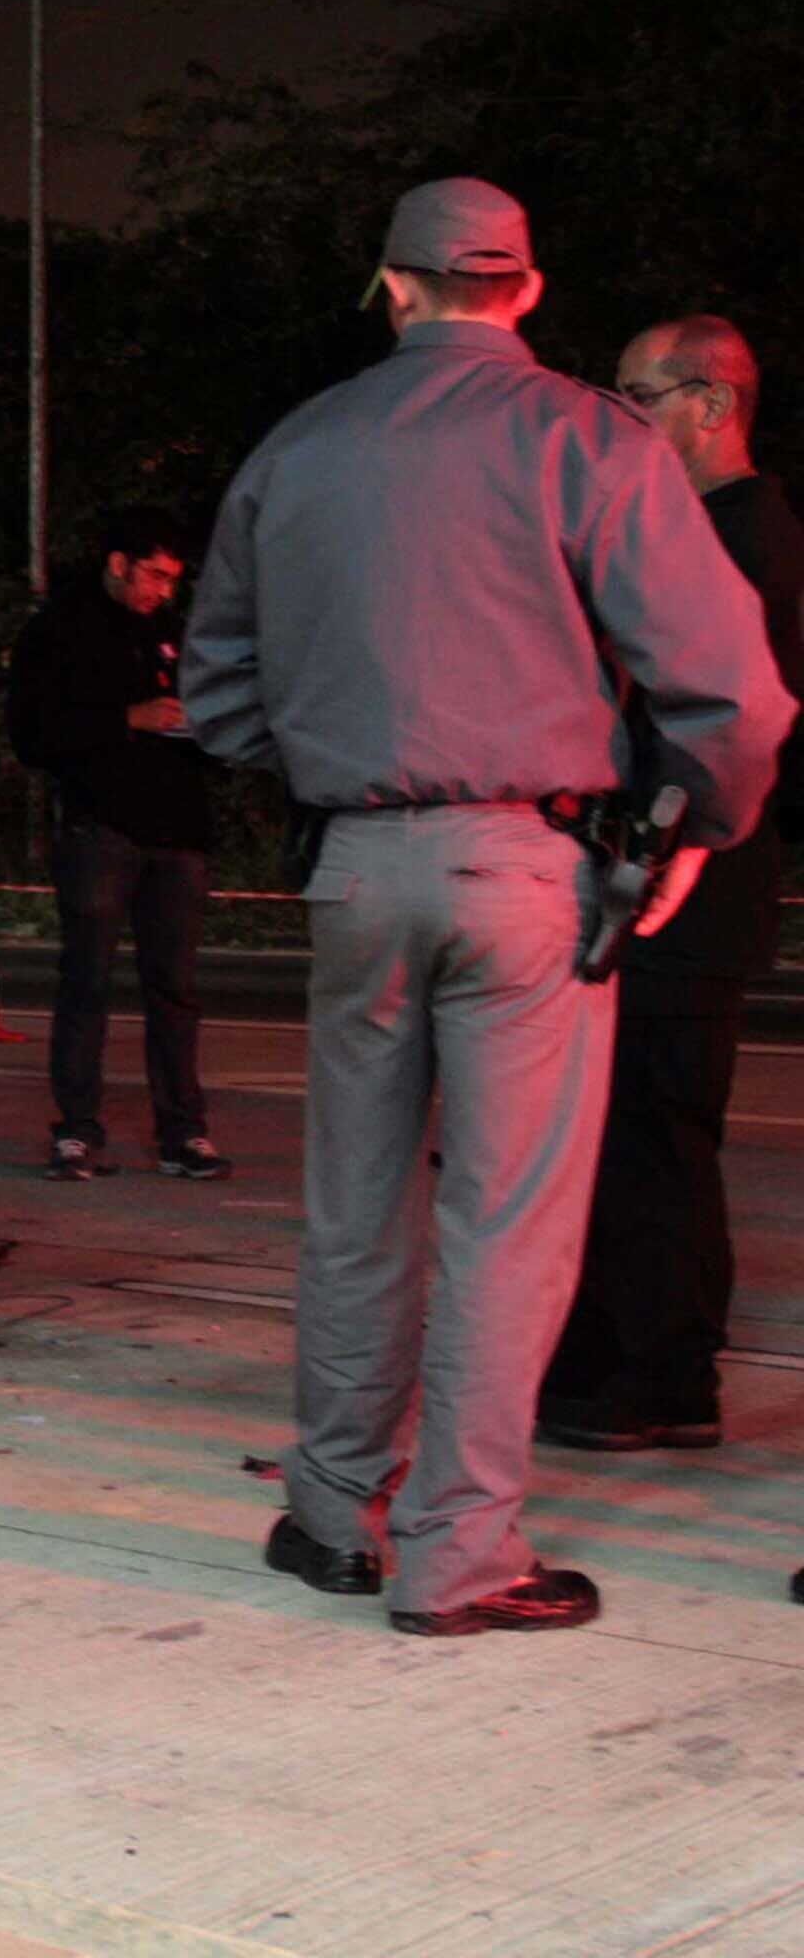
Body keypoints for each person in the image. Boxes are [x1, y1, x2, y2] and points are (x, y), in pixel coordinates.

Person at [180, 178, 791, 1637]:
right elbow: (735, 689)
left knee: (354, 1209)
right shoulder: (591, 438)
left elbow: (219, 692)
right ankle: (460, 1554)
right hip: (531, 868)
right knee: (507, 1222)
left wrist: (334, 765)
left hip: (355, 867)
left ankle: (332, 1512)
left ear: (393, 287)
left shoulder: (298, 446)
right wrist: (695, 825)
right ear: (526, 290)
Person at [541, 318, 804, 1451]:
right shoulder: (712, 530)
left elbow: (725, 719)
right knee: (633, 1134)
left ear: (711, 403)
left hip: (688, 882)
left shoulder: (739, 539)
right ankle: (620, 1357)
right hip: (670, 876)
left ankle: (663, 1374)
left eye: (637, 396)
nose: (621, 419)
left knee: (656, 1138)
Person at [5, 508, 232, 1185]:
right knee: (87, 983)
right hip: (100, 828)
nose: (163, 590)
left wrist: (210, 732)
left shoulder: (171, 635)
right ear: (118, 564)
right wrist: (126, 719)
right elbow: (32, 735)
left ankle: (183, 1133)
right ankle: (77, 1129)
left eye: (173, 579)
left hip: (178, 832)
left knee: (175, 991)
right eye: (154, 575)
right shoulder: (59, 631)